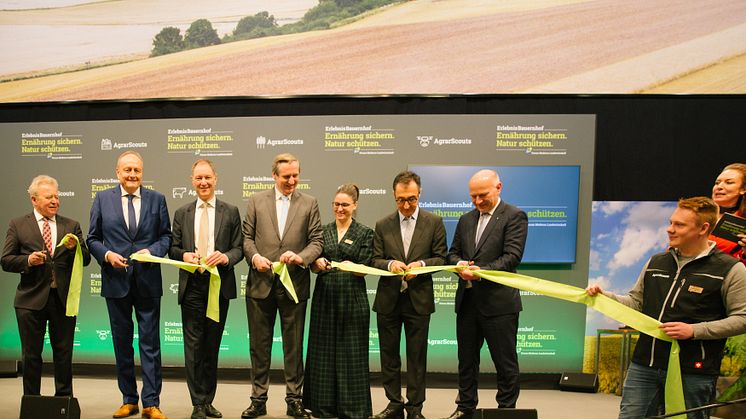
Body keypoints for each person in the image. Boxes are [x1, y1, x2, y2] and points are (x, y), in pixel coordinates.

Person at [587, 197, 746, 419]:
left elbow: (742, 319)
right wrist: (605, 297)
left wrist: (694, 331)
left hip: (693, 371)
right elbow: (636, 303)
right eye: (671, 222)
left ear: (703, 228)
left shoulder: (730, 269)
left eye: (679, 225)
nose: (670, 229)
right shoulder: (656, 262)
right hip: (644, 365)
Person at [87, 151, 172, 419]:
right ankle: (128, 399)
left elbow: (166, 236)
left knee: (150, 344)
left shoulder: (157, 199)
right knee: (122, 343)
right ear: (117, 172)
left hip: (147, 281)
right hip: (116, 283)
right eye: (127, 170)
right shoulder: (102, 199)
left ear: (142, 172)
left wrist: (153, 251)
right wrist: (107, 255)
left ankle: (151, 402)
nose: (132, 175)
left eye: (136, 170)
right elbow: (92, 238)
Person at [241, 153, 323, 419]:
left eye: (296, 175)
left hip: (294, 284)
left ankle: (294, 400)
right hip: (260, 285)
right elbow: (247, 239)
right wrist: (254, 257)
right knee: (259, 346)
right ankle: (258, 399)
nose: (292, 180)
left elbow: (317, 241)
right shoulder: (256, 201)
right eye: (286, 176)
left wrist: (301, 258)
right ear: (274, 175)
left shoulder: (310, 203)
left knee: (294, 346)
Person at [443, 169, 528, 419]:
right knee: (466, 362)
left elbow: (512, 257)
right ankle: (465, 408)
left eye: (483, 195)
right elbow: (452, 252)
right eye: (473, 197)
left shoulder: (515, 216)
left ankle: (506, 411)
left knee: (505, 363)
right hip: (468, 303)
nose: (478, 201)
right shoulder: (465, 219)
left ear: (498, 187)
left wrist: (481, 272)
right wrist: (458, 264)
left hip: (499, 305)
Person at [1, 175, 91, 397]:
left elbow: (86, 259)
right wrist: (28, 261)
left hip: (62, 301)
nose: (55, 201)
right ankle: (32, 402)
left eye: (57, 197)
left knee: (64, 354)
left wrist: (74, 248)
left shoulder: (71, 225)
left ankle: (64, 403)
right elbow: (6, 260)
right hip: (30, 301)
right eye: (49, 197)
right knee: (31, 355)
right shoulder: (18, 225)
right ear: (34, 199)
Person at [169, 160, 243, 419]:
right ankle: (197, 402)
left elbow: (239, 249)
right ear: (192, 180)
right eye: (199, 178)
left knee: (212, 345)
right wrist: (184, 256)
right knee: (193, 346)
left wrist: (225, 258)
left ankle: (208, 400)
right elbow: (173, 248)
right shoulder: (182, 213)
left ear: (215, 179)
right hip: (192, 286)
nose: (203, 182)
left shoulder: (231, 211)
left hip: (218, 285)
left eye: (207, 178)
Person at [370, 171, 447, 419]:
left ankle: (415, 408)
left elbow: (441, 257)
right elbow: (375, 259)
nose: (406, 205)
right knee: (389, 356)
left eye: (411, 199)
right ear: (394, 196)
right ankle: (394, 403)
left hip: (419, 300)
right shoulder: (382, 224)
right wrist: (390, 265)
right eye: (401, 200)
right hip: (388, 300)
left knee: (417, 358)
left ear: (420, 194)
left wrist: (422, 265)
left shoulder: (434, 222)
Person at [304, 183, 375, 419]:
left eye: (345, 204)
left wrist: (352, 267)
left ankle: (352, 408)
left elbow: (365, 268)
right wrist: (316, 264)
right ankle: (323, 406)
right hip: (325, 297)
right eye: (336, 204)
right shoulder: (322, 231)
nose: (340, 208)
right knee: (322, 353)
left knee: (351, 355)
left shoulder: (365, 233)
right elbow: (313, 262)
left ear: (355, 205)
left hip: (352, 298)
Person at [710, 163, 746, 264]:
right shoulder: (699, 215)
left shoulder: (743, 220)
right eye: (717, 183)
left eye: (729, 182)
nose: (719, 187)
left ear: (743, 189)